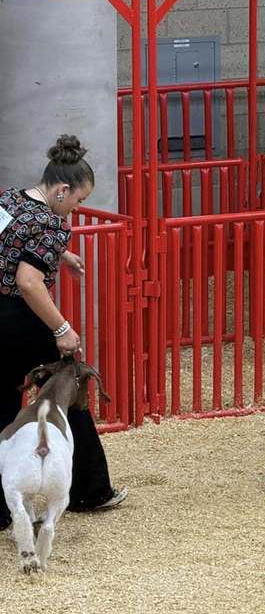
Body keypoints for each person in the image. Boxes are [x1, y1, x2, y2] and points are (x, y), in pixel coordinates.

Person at [0, 136, 127, 531]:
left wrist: (60, 253)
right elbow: (29, 281)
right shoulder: (52, 222)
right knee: (68, 390)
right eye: (76, 201)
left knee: (1, 404)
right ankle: (91, 489)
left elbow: (12, 243)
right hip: (22, 319)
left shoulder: (10, 198)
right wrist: (62, 328)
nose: (75, 209)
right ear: (61, 190)